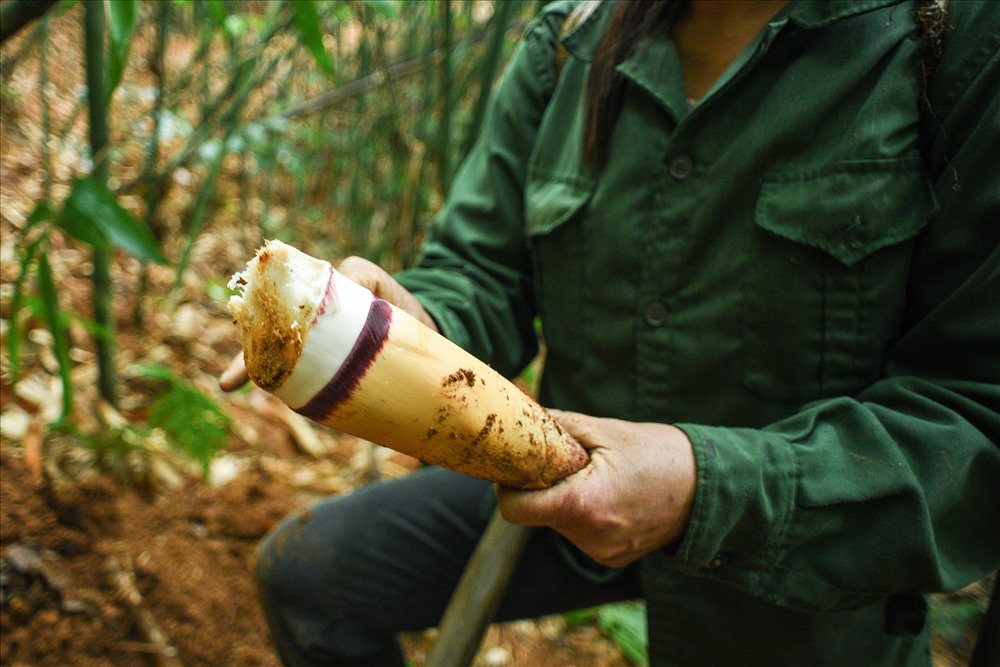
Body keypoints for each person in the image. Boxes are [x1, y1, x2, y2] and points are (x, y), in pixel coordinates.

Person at [220, 0, 1000, 664]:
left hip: (800, 550)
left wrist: (706, 485)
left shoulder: (952, 44)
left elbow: (972, 421)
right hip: (561, 476)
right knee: (311, 576)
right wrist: (401, 326)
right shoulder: (574, 37)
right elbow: (481, 269)